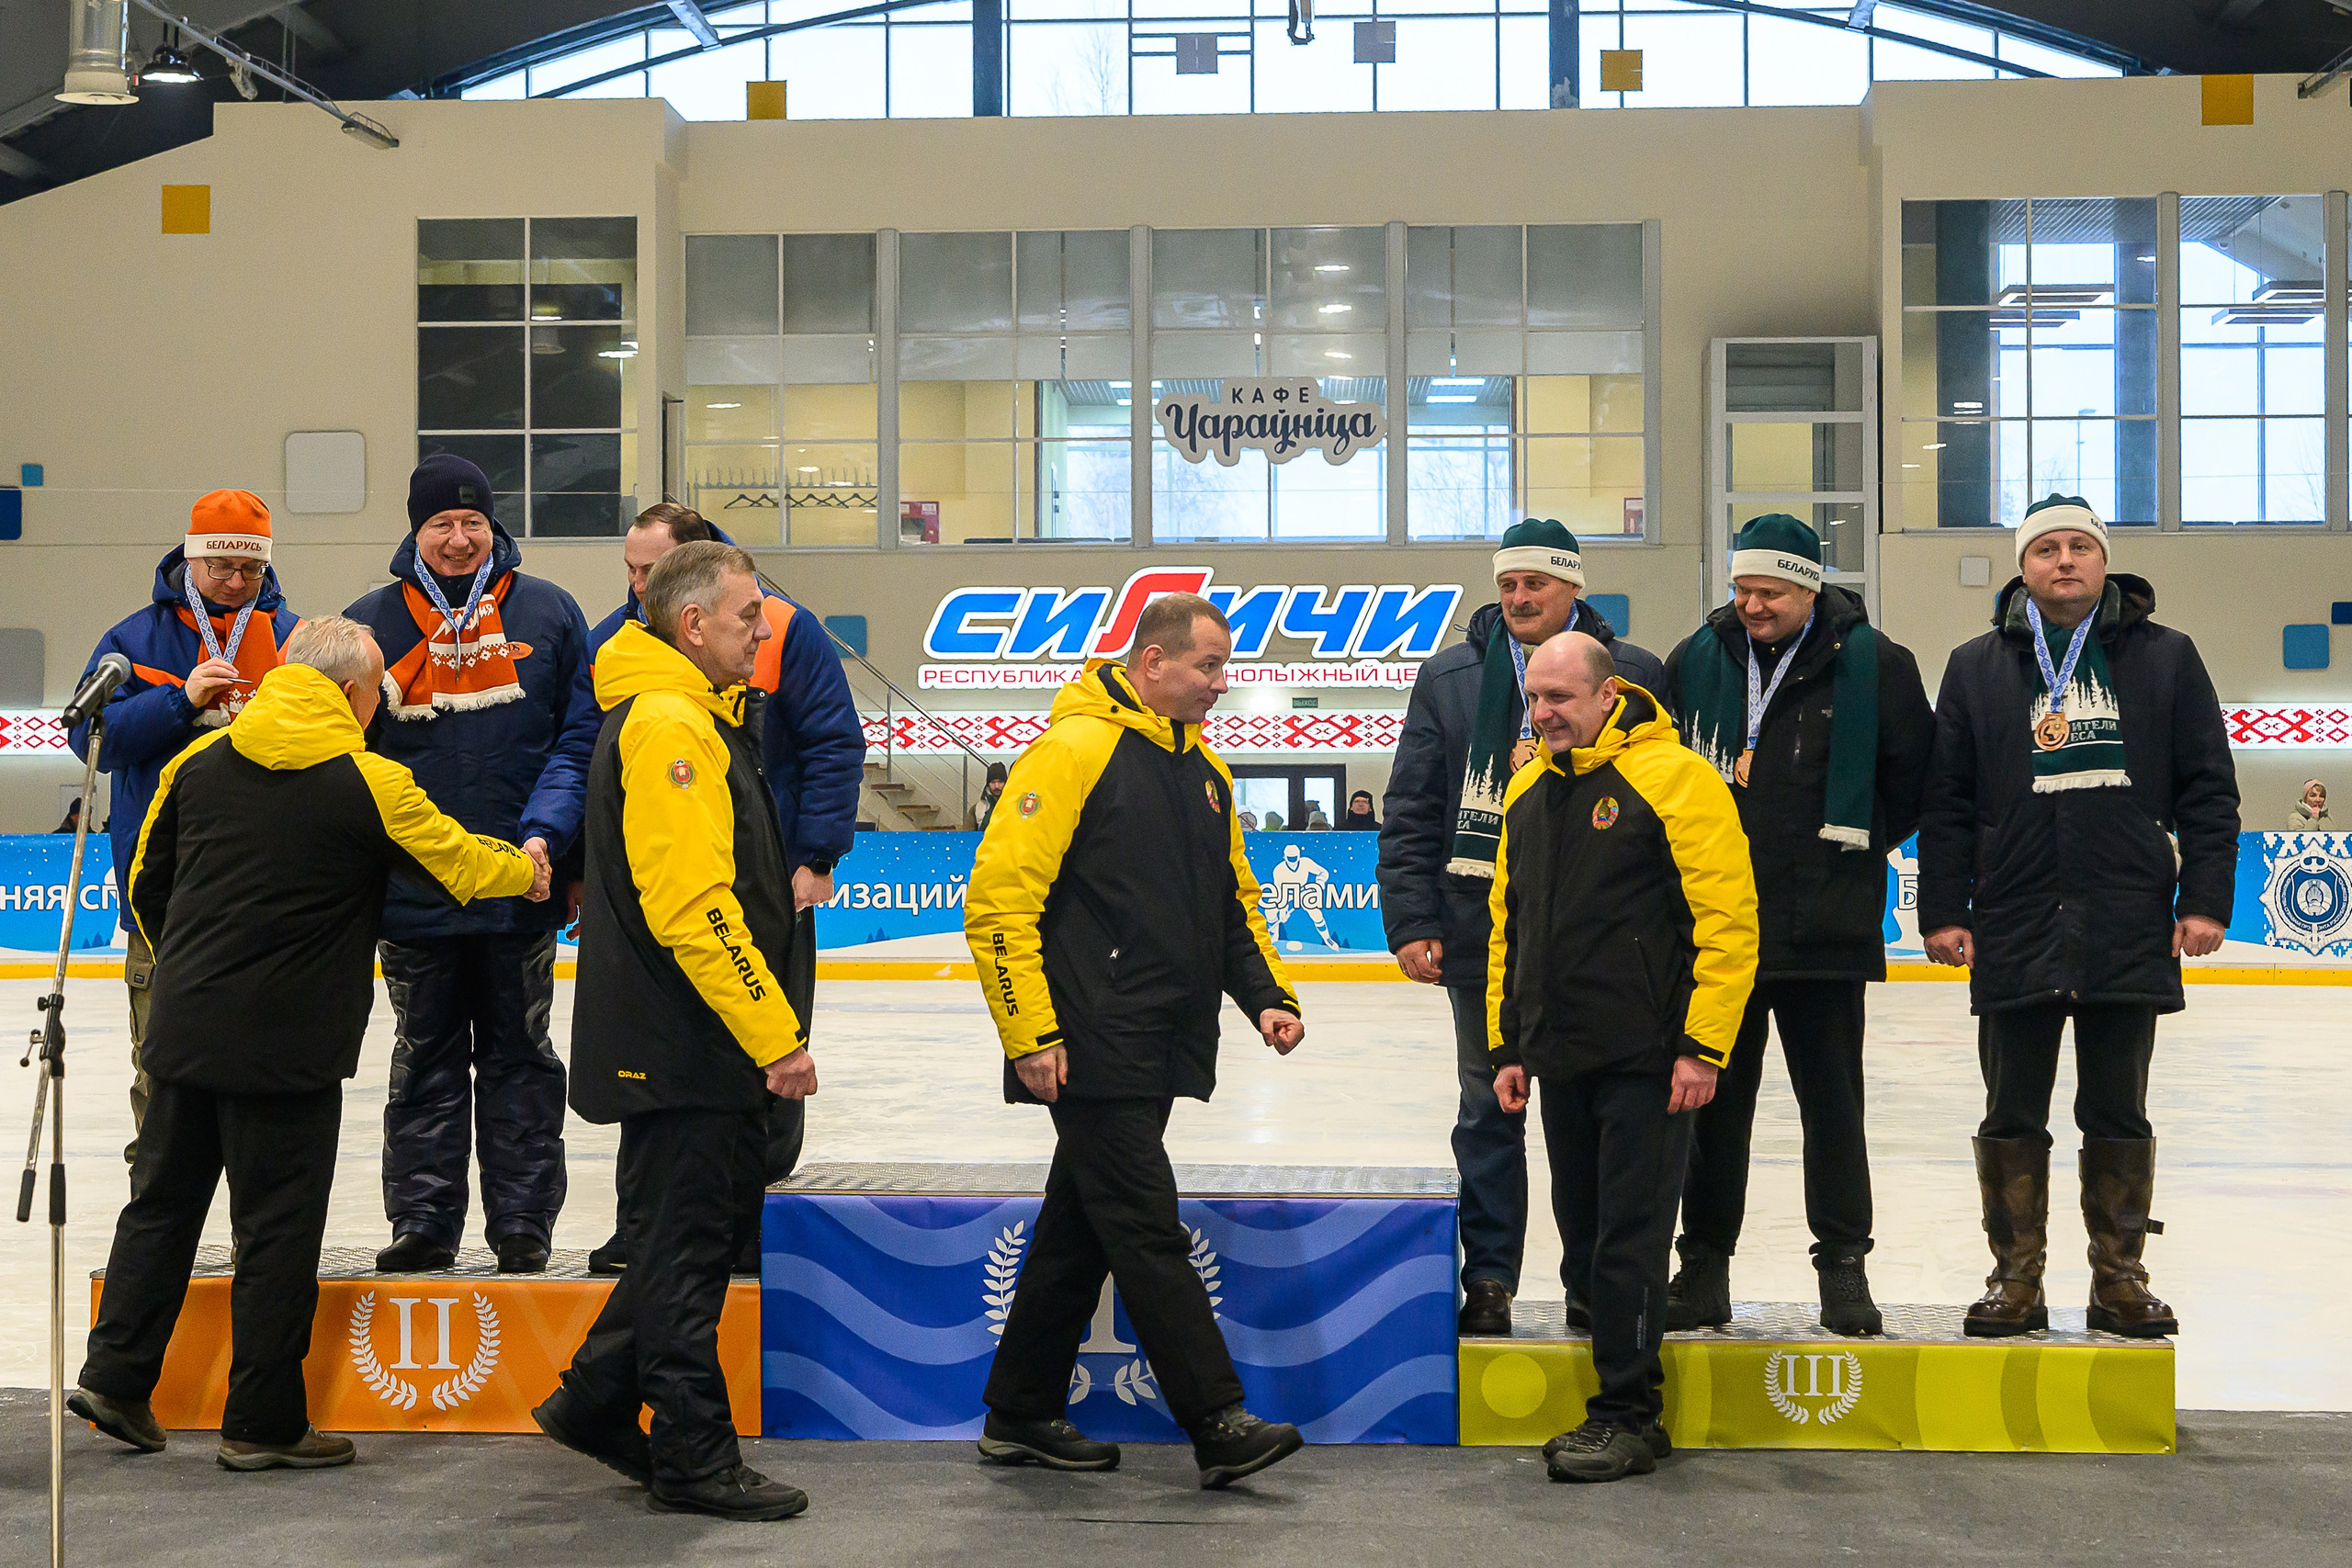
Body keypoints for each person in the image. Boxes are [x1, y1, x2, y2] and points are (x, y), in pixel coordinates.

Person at [68, 617, 543, 1472]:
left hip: (183, 1026)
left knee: (161, 1204)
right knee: (277, 1229)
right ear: (356, 696)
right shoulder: (370, 779)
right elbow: (464, 867)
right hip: (289, 1044)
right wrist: (530, 869)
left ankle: (116, 1378)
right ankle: (263, 1420)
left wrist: (185, 969)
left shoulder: (196, 761)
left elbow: (145, 876)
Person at [965, 592, 1308, 1490]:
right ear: (1151, 663)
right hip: (1087, 1042)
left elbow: (1231, 905)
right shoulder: (1073, 751)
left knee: (1080, 1228)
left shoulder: (1204, 772)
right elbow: (999, 899)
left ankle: (1019, 1412)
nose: (1220, 685)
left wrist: (1265, 996)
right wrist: (1028, 1031)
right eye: (1207, 667)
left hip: (1157, 1042)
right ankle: (1216, 1419)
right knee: (1147, 1227)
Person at [1918, 495, 2239, 1339]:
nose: (2064, 561)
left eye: (2080, 548)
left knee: (2118, 1109)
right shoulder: (1976, 665)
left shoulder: (2168, 659)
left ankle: (2119, 1276)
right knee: (2011, 1110)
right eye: (2046, 550)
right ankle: (2014, 1277)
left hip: (2127, 916)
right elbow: (1947, 801)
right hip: (2015, 918)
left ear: (2105, 563)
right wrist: (1945, 907)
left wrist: (2204, 899)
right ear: (2021, 568)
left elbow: (2209, 788)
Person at [538, 541, 814, 1521]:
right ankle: (697, 1457)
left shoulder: (689, 714)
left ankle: (593, 1401)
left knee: (670, 1245)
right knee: (688, 1255)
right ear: (692, 624)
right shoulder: (670, 727)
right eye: (748, 615)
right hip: (685, 1041)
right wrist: (773, 1033)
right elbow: (695, 907)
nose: (762, 628)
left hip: (680, 1039)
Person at [1376, 516, 1668, 1335]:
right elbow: (1412, 805)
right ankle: (1493, 1279)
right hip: (1481, 932)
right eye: (1507, 583)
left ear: (1572, 586)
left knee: (1589, 1118)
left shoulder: (1634, 673)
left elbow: (1667, 798)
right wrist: (1410, 917)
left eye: (1535, 582)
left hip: (1599, 937)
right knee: (1488, 1109)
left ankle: (1592, 1283)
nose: (1518, 595)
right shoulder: (1453, 675)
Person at [1487, 632, 1756, 1483]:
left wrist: (1703, 1045)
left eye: (1560, 697)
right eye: (1534, 699)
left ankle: (1630, 1414)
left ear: (1610, 694)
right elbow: (1510, 926)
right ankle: (1625, 1399)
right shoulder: (1528, 787)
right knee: (1585, 1235)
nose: (1543, 714)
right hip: (1561, 1056)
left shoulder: (1677, 778)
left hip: (1650, 1059)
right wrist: (1507, 1041)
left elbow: (1728, 921)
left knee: (1631, 1241)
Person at [1658, 514, 1935, 1337]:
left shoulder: (1877, 665)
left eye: (1769, 591)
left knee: (1833, 1109)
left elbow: (1913, 779)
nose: (1751, 604)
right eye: (1742, 589)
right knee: (1709, 1110)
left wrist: (1844, 855)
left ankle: (1843, 1267)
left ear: (1809, 587)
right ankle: (1702, 1267)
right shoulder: (1696, 660)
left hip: (1825, 931)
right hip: (1717, 934)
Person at [582, 502, 865, 1278]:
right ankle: (675, 1238)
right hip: (705, 902)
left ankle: (740, 1218)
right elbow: (685, 896)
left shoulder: (779, 631)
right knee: (689, 1114)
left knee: (749, 1084)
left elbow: (835, 741)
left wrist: (816, 853)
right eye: (631, 572)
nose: (638, 587)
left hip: (769, 886)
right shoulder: (645, 677)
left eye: (651, 570)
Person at [346, 455, 599, 1276]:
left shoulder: (550, 612)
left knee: (520, 1056)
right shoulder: (370, 624)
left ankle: (523, 1222)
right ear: (415, 530)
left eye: (473, 523)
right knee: (422, 1059)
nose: (458, 540)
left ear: (494, 527)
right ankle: (423, 1220)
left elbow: (578, 743)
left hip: (519, 885)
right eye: (440, 524)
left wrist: (558, 849)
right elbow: (347, 760)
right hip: (411, 896)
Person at [67, 491, 301, 1179]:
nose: (235, 582)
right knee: (163, 1070)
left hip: (269, 896)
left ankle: (258, 1219)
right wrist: (182, 699)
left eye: (249, 570)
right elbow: (92, 741)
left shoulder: (292, 637)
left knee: (263, 1069)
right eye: (221, 566)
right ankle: (162, 1223)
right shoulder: (132, 641)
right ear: (190, 557)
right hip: (163, 899)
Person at [969, 761, 1009, 829]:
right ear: (988, 784)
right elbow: (968, 835)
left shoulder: (1014, 806)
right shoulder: (977, 808)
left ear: (1006, 783)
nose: (996, 786)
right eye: (993, 782)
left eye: (1000, 782)